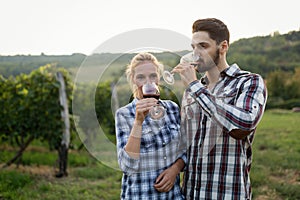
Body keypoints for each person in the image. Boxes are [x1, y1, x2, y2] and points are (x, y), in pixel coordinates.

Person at [172, 18, 267, 199]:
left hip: (227, 194)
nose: (196, 53)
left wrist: (194, 86)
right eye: (193, 47)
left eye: (203, 46)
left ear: (223, 47)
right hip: (191, 194)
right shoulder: (191, 91)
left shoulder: (249, 82)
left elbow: (243, 125)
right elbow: (184, 142)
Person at [115, 52, 186, 199]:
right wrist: (138, 122)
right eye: (141, 77)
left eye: (153, 76)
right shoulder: (124, 114)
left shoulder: (172, 108)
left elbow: (185, 149)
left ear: (159, 78)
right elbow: (127, 166)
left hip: (172, 196)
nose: (148, 82)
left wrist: (175, 169)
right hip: (140, 195)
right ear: (133, 80)